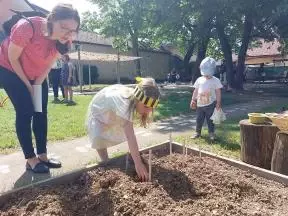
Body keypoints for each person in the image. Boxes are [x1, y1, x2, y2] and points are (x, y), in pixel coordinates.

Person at [0, 4, 80, 173]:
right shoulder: (28, 27)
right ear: (52, 20)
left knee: (40, 111)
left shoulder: (66, 39)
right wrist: (28, 87)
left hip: (37, 73)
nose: (68, 33)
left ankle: (42, 155)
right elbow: (12, 58)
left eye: (73, 30)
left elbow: (49, 64)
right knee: (26, 111)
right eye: (64, 27)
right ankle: (31, 159)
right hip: (10, 69)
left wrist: (36, 85)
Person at [86, 77, 160, 181]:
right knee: (99, 136)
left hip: (112, 107)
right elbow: (130, 136)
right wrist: (138, 163)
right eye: (146, 107)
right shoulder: (125, 104)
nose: (149, 111)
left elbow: (129, 132)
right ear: (137, 99)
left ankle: (116, 162)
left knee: (123, 126)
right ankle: (106, 163)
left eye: (151, 108)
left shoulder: (134, 101)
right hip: (100, 109)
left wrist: (137, 159)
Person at [190, 57, 223, 141]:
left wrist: (218, 103)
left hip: (210, 105)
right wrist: (193, 100)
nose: (207, 75)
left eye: (208, 73)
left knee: (210, 120)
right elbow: (196, 91)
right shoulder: (199, 79)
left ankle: (211, 133)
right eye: (205, 73)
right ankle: (197, 132)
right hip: (200, 104)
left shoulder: (216, 80)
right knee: (199, 119)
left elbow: (218, 92)